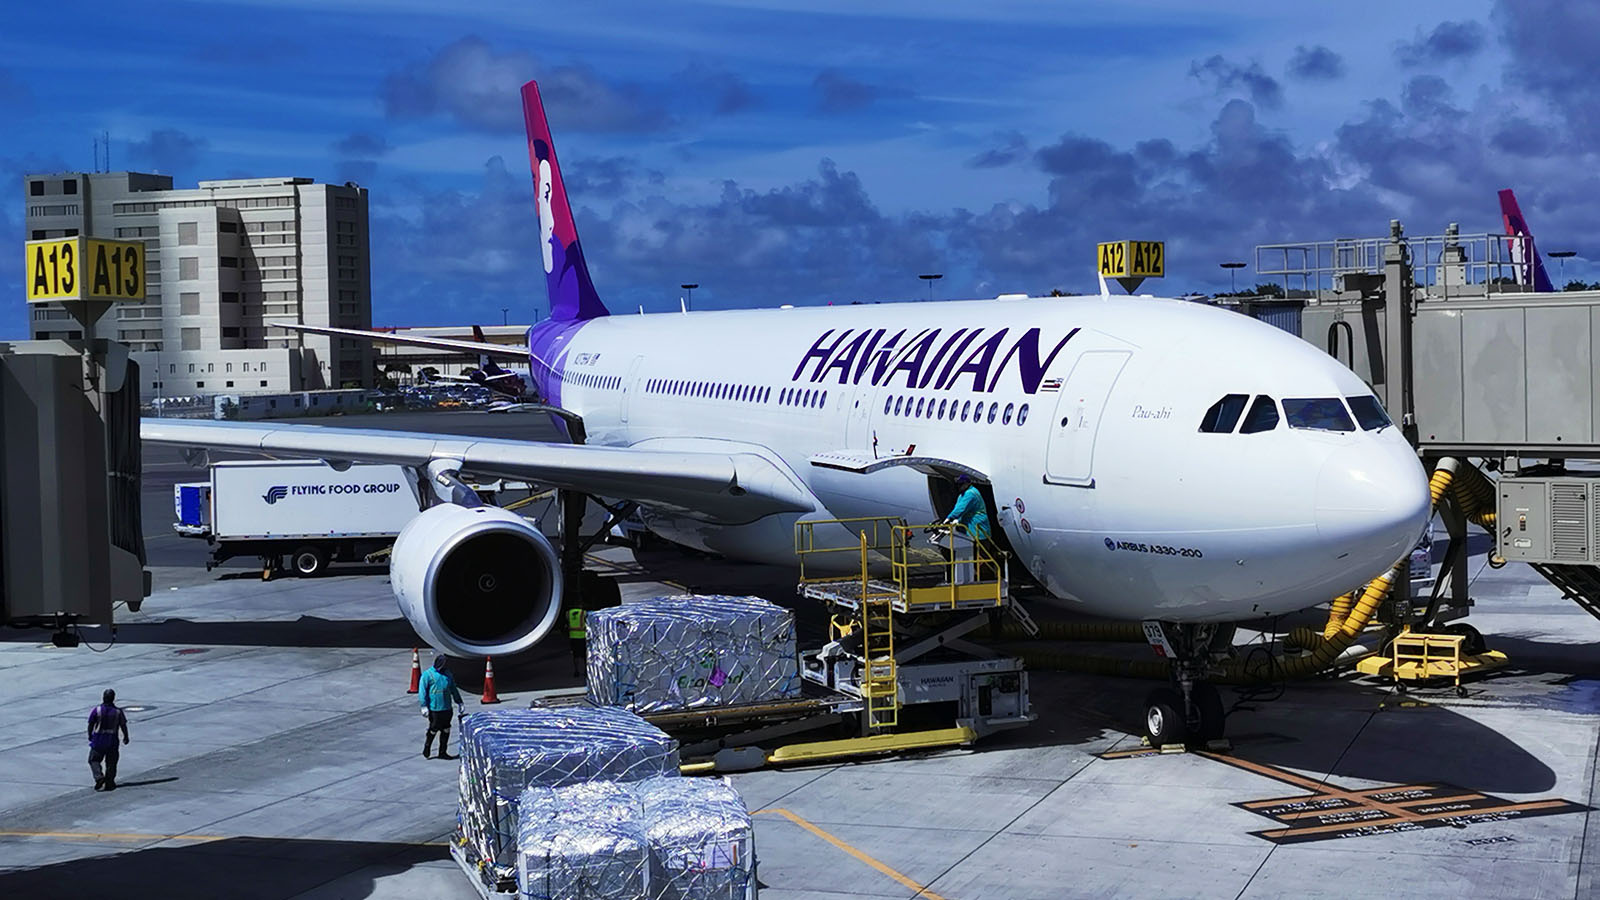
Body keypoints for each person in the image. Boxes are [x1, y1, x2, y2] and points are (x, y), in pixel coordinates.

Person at [941, 475, 996, 581]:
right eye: (958, 485)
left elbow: (961, 509)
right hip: (970, 530)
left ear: (967, 484)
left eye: (961, 484)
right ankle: (976, 577)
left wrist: (949, 519)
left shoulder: (970, 494)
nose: (959, 487)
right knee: (975, 556)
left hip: (978, 531)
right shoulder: (963, 494)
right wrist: (955, 521)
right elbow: (960, 508)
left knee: (982, 557)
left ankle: (986, 579)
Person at [418, 655, 464, 760]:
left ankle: (443, 752)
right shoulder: (427, 675)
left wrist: (459, 702)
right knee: (434, 728)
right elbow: (422, 691)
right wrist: (424, 705)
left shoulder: (447, 674)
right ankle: (427, 746)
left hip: (447, 707)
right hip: (435, 708)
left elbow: (453, 688)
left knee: (446, 729)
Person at [87, 689, 129, 791]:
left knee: (94, 760)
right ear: (113, 698)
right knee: (111, 762)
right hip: (112, 741)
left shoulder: (97, 710)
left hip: (98, 740)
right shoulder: (118, 712)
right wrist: (126, 736)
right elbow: (123, 725)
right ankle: (109, 782)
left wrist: (90, 735)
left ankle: (99, 777)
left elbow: (91, 724)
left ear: (103, 698)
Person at [567, 602, 587, 679]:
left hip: (573, 636)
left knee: (575, 655)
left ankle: (576, 670)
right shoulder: (583, 613)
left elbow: (568, 624)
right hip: (582, 636)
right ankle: (585, 670)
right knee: (584, 655)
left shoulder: (568, 613)